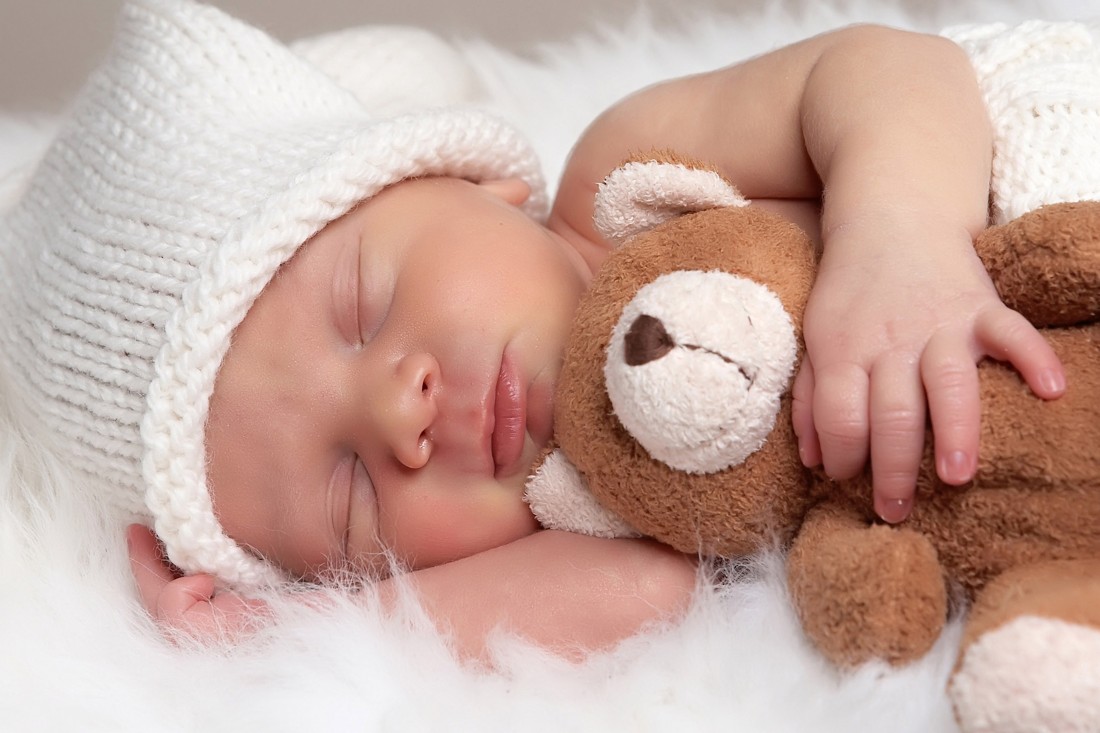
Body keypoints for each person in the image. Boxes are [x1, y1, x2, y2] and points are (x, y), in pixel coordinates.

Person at [0, 0, 1068, 661]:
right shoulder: (593, 514)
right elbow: (656, 592)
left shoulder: (625, 175)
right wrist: (276, 636)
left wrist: (896, 235)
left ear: (472, 181)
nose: (397, 410)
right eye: (349, 490)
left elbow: (886, 67)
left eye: (359, 309)